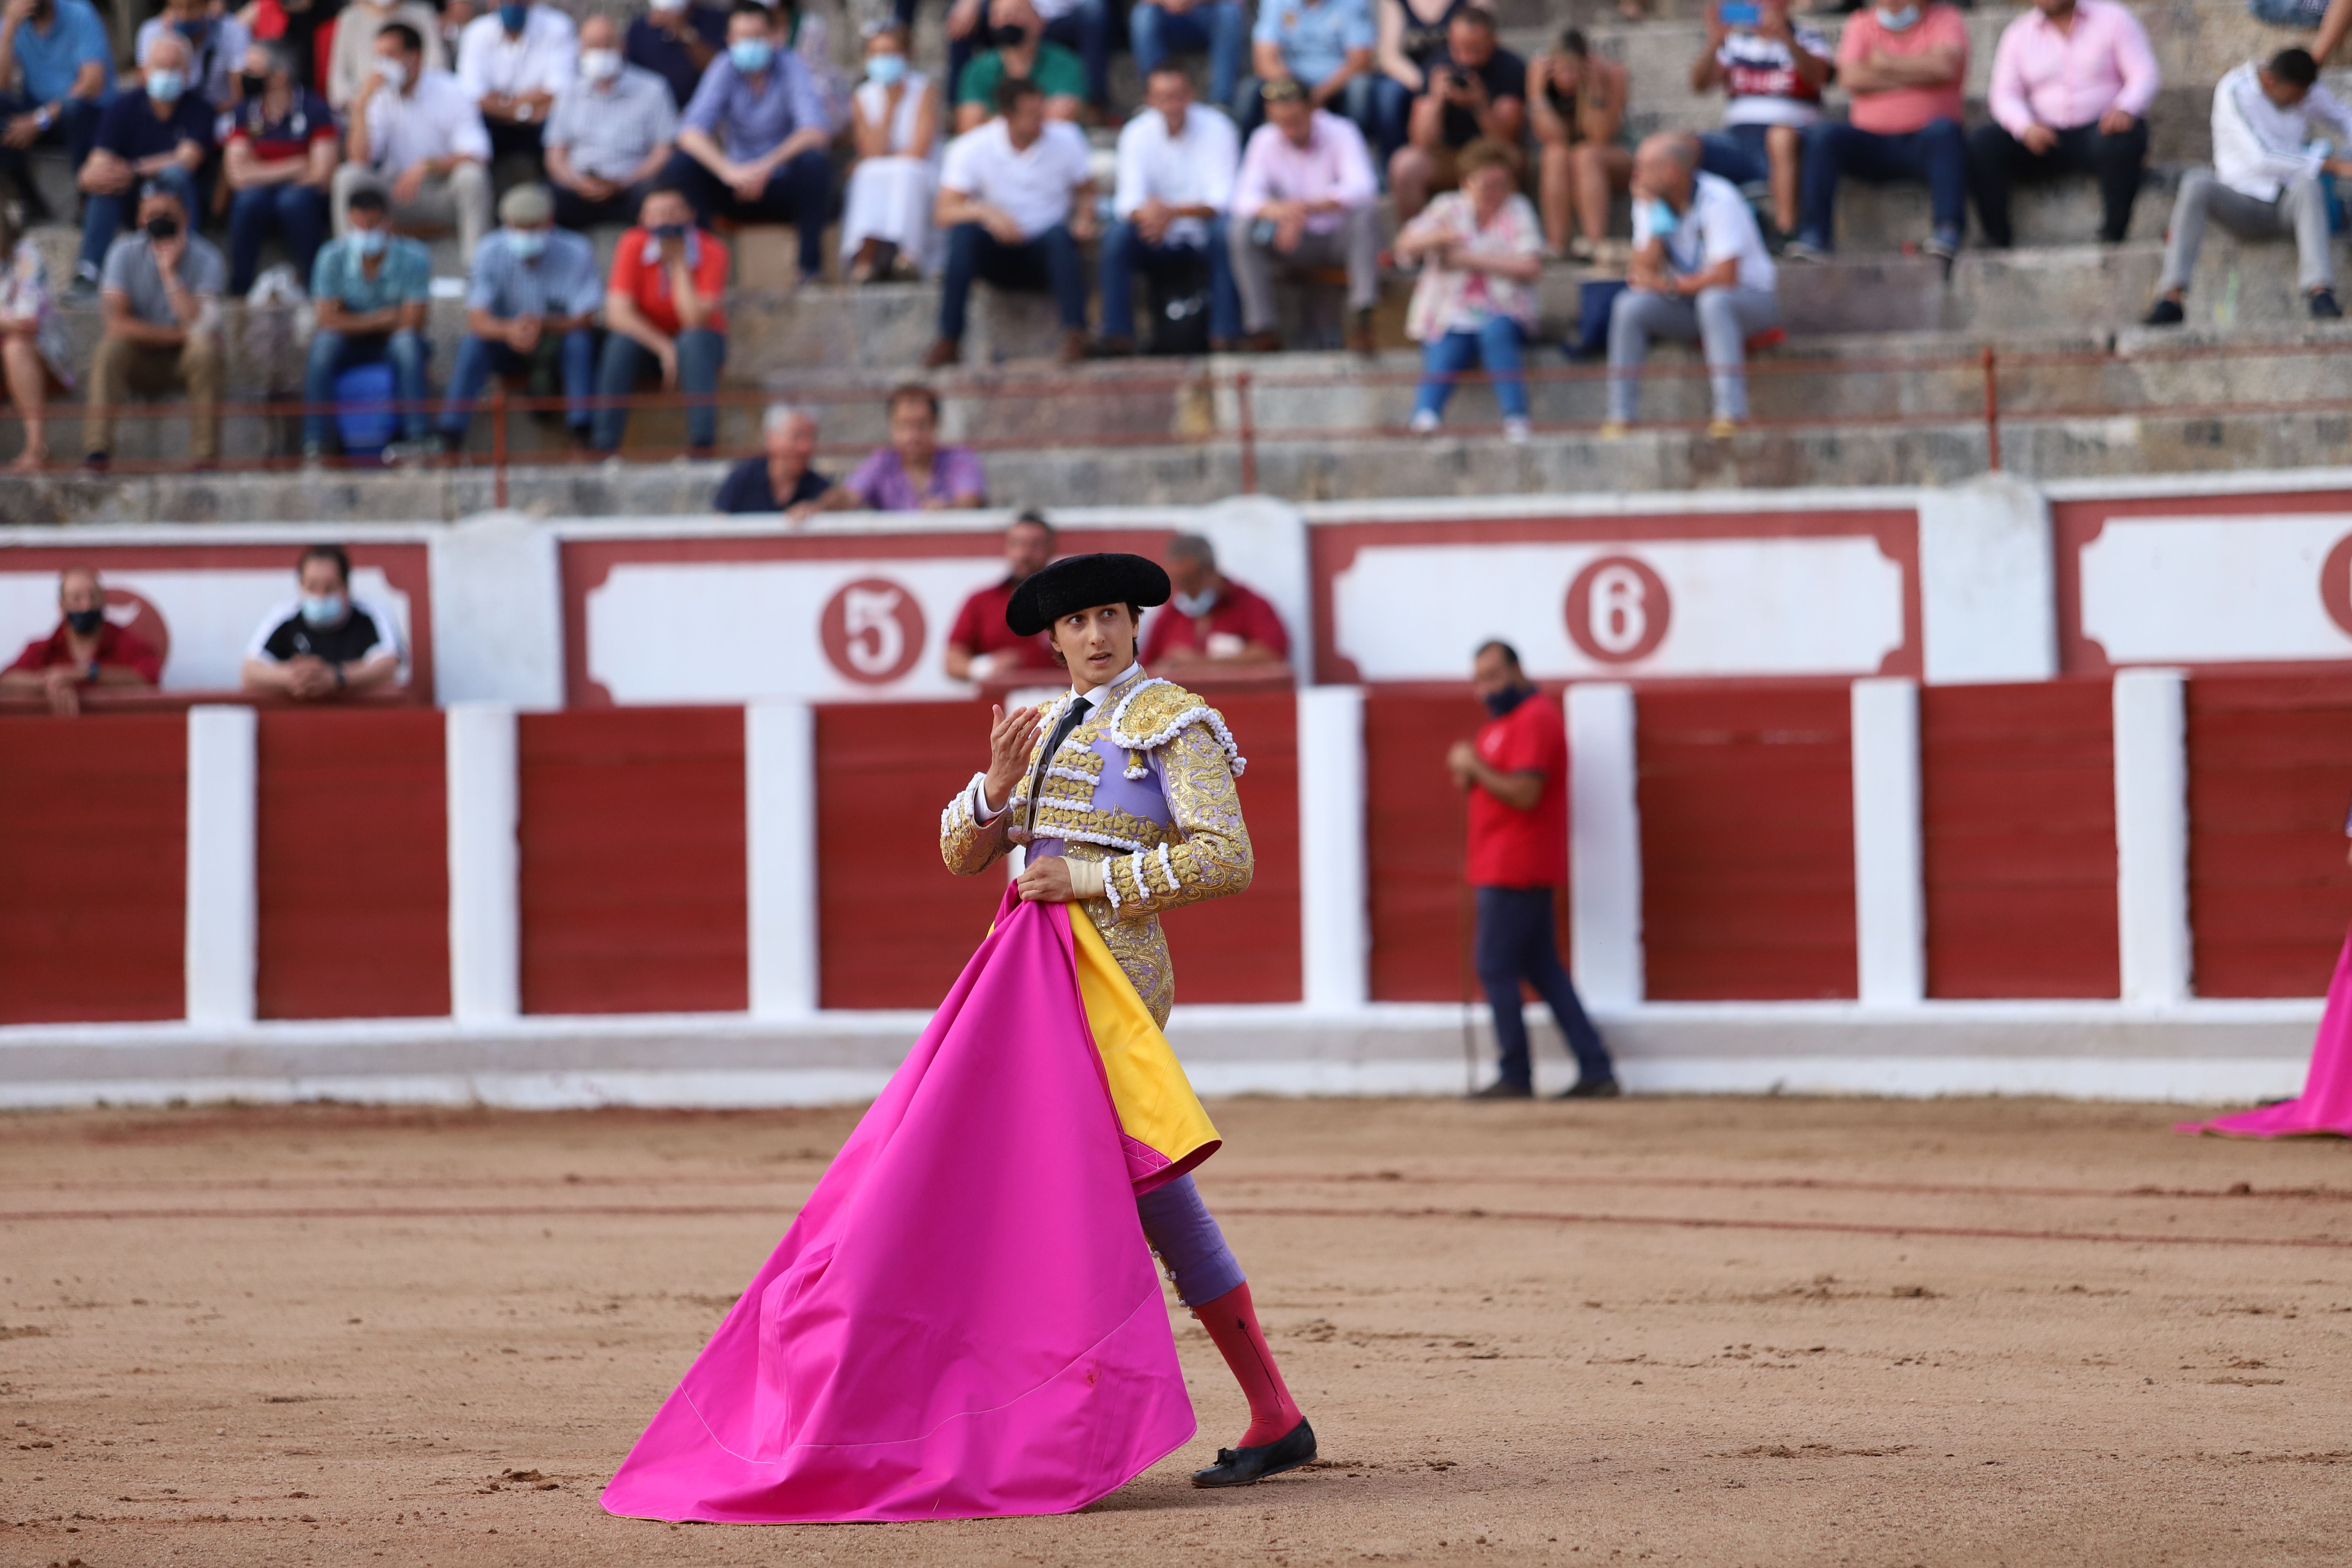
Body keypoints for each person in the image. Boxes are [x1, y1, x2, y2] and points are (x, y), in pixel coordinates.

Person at [601, 554, 1315, 1522]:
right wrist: (990, 789)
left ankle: (1211, 1409)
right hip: (1022, 979)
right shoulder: (1039, 725)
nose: (1098, 634)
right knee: (1121, 1185)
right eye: (1078, 623)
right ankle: (1240, 1408)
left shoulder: (1170, 720)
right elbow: (958, 853)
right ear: (1052, 638)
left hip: (1111, 982)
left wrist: (1092, 882)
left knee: (1103, 1183)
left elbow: (1226, 857)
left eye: (1111, 615)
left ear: (1136, 623)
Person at [1448, 640, 1617, 1100]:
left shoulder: (1535, 718)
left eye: (1495, 676)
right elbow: (1484, 779)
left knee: (1494, 963)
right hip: (1503, 861)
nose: (1488, 688)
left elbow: (1525, 794)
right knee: (1542, 967)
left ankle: (1517, 1072)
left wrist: (1474, 767)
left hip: (1516, 864)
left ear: (1518, 671)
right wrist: (1469, 770)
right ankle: (1595, 1064)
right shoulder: (1502, 724)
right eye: (1480, 679)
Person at [2146, 48, 2352, 323]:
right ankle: (2171, 298)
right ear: (2270, 82)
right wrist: (2334, 164)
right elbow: (2261, 157)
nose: (2301, 102)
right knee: (2196, 184)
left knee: (2308, 184)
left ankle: (2320, 292)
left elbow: (2343, 116)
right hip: (2240, 204)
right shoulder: (2235, 91)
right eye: (2295, 96)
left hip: (2289, 204)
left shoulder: (2305, 90)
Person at [1605, 132, 1777, 437]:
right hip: (1691, 302)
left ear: (1671, 172)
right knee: (1628, 307)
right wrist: (1656, 222)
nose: (1637, 175)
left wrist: (1668, 286)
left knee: (1715, 301)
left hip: (1750, 301)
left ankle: (1731, 413)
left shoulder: (1719, 197)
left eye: (1644, 166)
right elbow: (1641, 273)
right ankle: (1621, 416)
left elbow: (1726, 277)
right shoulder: (1649, 201)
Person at [927, 77, 1096, 369]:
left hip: (1048, 252)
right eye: (1031, 115)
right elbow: (944, 212)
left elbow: (1086, 192)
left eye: (1041, 111)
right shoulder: (973, 147)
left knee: (1059, 238)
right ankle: (949, 339)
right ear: (1007, 116)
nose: (1040, 121)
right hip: (998, 254)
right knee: (963, 236)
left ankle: (1076, 334)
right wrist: (985, 213)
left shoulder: (1067, 139)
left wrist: (1084, 220)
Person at [1968, 0, 2157, 250]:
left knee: (2125, 138)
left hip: (2100, 132)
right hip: (2043, 138)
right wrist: (2026, 127)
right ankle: (1997, 238)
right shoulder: (2018, 34)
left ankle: (2113, 235)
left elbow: (2144, 74)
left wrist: (2124, 108)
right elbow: (2004, 95)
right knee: (1984, 143)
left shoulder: (2115, 18)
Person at [1789, 0, 1969, 262]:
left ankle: (1948, 230)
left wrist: (1884, 63)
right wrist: (1920, 72)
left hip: (1924, 145)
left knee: (1944, 133)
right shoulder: (1861, 23)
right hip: (1871, 144)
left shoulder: (1947, 19)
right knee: (1822, 136)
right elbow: (1849, 78)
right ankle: (1813, 235)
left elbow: (1945, 68)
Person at [671, 2, 834, 285]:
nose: (749, 45)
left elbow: (815, 131)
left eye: (756, 37)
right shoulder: (724, 66)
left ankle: (809, 269)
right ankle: (706, 267)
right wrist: (728, 171)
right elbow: (689, 133)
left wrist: (765, 167)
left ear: (775, 36)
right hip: (735, 184)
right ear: (730, 40)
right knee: (680, 167)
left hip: (780, 182)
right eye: (742, 38)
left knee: (815, 164)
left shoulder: (791, 64)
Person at [1395, 137, 1540, 441]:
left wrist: (1469, 259)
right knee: (1446, 343)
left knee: (1496, 333)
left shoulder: (1518, 210)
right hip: (1450, 310)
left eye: (1500, 185)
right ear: (1466, 182)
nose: (1493, 194)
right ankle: (1426, 416)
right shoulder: (1447, 208)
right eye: (1485, 185)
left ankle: (1516, 418)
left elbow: (1531, 267)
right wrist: (1436, 239)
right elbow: (1405, 246)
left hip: (1504, 309)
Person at [438, 183, 602, 448]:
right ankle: (450, 433)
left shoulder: (576, 250)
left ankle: (583, 428)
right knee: (473, 344)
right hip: (507, 343)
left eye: (532, 227)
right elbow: (477, 320)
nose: (525, 234)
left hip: (555, 341)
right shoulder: (489, 251)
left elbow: (586, 318)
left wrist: (542, 325)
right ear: (506, 223)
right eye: (519, 227)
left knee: (579, 342)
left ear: (549, 222)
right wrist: (511, 330)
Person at [1098, 63, 1241, 356]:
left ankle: (1225, 334)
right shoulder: (1136, 133)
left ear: (1192, 94)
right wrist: (1158, 217)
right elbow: (1127, 203)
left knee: (1227, 232)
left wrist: (1171, 213)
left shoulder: (1218, 128)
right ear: (1149, 100)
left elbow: (1224, 199)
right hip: (1156, 235)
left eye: (1178, 95)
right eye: (1163, 97)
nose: (1172, 105)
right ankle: (1117, 335)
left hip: (1203, 233)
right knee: (1117, 236)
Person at [1228, 78, 1380, 355]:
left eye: (1295, 119)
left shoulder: (1342, 131)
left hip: (1337, 237)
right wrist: (1284, 213)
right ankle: (1262, 328)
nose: (1289, 128)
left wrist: (1305, 209)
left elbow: (1362, 187)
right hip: (1290, 238)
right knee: (1241, 231)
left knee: (1365, 216)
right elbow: (1243, 198)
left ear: (1313, 109)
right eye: (1281, 121)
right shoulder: (1264, 139)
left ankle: (1362, 318)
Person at [83, 180, 224, 471]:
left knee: (205, 351)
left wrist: (169, 272)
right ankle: (97, 453)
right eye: (153, 216)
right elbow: (117, 326)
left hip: (184, 361)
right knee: (110, 350)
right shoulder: (123, 251)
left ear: (186, 217)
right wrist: (177, 336)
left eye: (169, 216)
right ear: (140, 219)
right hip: (141, 357)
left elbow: (198, 326)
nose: (160, 223)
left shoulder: (208, 257)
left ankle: (205, 458)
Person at [335, 22, 494, 268]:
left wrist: (426, 166)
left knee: (472, 177)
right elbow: (359, 159)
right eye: (379, 57)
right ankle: (348, 270)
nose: (382, 64)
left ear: (415, 56)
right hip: (394, 193)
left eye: (390, 56)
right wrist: (361, 106)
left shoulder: (451, 90)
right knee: (348, 176)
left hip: (442, 191)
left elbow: (478, 153)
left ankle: (477, 268)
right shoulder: (377, 97)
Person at [69, 32, 210, 298]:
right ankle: (89, 272)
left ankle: (186, 264)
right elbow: (94, 168)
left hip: (182, 199)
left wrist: (132, 169)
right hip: (131, 199)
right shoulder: (123, 107)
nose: (167, 74)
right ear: (143, 71)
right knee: (106, 183)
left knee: (174, 176)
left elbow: (187, 160)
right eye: (160, 66)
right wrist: (96, 176)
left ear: (188, 71)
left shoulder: (199, 109)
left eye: (174, 67)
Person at [593, 184, 729, 453]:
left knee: (693, 342)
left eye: (672, 212)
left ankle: (703, 443)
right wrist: (665, 348)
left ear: (690, 215)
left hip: (700, 345)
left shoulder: (712, 249)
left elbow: (695, 321)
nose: (665, 220)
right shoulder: (632, 244)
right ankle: (603, 444)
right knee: (620, 344)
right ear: (643, 219)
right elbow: (618, 314)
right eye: (656, 214)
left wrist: (678, 263)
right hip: (652, 347)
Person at [304, 186, 433, 462]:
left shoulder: (414, 257)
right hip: (349, 345)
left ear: (389, 223)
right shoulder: (331, 257)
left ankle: (417, 438)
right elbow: (326, 321)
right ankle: (317, 442)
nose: (366, 233)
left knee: (407, 345)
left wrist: (348, 318)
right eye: (359, 226)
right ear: (350, 222)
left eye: (373, 226)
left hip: (392, 344)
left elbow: (413, 322)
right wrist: (381, 319)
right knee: (323, 345)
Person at [1692, 0, 1830, 246]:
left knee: (1780, 137)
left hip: (1792, 141)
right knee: (1681, 146)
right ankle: (1688, 236)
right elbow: (1699, 85)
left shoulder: (1809, 39)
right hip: (1737, 142)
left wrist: (1786, 39)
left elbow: (1819, 77)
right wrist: (1714, 40)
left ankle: (1786, 232)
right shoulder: (1735, 44)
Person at [222, 41, 338, 297]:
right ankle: (240, 288)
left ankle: (316, 287)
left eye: (253, 69)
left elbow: (321, 174)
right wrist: (294, 166)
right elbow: (236, 175)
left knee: (293, 201)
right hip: (264, 193)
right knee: (247, 201)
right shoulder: (245, 111)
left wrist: (259, 169)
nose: (245, 76)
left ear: (278, 76)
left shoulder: (314, 108)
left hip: (303, 196)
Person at [1388, 7, 1525, 225]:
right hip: (1448, 155)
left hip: (1491, 156)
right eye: (1459, 49)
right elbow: (1420, 141)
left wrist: (1480, 105)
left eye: (1475, 50)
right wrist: (1436, 101)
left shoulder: (1510, 67)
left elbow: (1506, 141)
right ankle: (1415, 247)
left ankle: (1500, 247)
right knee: (1405, 164)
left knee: (1499, 170)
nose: (1466, 59)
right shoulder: (1436, 65)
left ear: (1494, 41)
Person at [544, 14, 680, 230]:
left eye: (608, 45)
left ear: (622, 47)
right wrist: (577, 183)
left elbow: (664, 149)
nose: (601, 52)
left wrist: (627, 182)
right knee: (547, 198)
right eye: (594, 46)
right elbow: (555, 154)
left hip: (633, 187)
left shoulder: (653, 88)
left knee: (659, 197)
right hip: (580, 188)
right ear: (581, 50)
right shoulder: (569, 92)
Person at [841, 21, 943, 282]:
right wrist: (890, 108)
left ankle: (909, 255)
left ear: (906, 55)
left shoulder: (925, 89)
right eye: (876, 53)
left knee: (904, 171)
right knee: (867, 172)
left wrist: (888, 157)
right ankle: (865, 258)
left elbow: (920, 149)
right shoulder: (862, 96)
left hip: (922, 170)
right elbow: (871, 150)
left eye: (890, 53)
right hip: (889, 167)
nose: (883, 59)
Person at [240, 545, 404, 701]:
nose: (320, 596)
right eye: (312, 587)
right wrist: (295, 677)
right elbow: (250, 671)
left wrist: (337, 677)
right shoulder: (285, 616)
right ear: (301, 587)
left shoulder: (371, 614)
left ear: (346, 587)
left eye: (329, 588)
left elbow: (388, 667)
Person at [0, 0, 113, 214]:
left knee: (76, 109)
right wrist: (9, 29)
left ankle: (87, 201)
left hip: (81, 113)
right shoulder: (13, 23)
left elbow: (92, 83)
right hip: (38, 112)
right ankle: (26, 199)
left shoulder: (80, 14)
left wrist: (40, 120)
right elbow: (2, 85)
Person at [0, 568, 161, 715]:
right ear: (63, 605)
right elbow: (5, 681)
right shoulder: (45, 648)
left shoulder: (126, 642)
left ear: (104, 600)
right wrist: (50, 682)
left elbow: (150, 678)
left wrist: (87, 673)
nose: (86, 606)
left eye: (93, 596)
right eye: (77, 598)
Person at [1529, 29, 1631, 260]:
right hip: (1567, 157)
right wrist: (1537, 94)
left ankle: (1595, 244)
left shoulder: (1612, 74)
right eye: (1561, 68)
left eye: (1572, 69)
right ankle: (1557, 245)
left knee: (1586, 154)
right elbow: (1552, 137)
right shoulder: (1540, 79)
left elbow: (1600, 137)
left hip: (1615, 156)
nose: (1567, 77)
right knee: (1555, 153)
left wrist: (1595, 90)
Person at [808, 382, 988, 511]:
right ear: (891, 428)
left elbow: (970, 501)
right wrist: (818, 507)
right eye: (904, 426)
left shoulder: (959, 459)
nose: (912, 436)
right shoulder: (882, 462)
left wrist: (948, 509)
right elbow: (850, 497)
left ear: (936, 425)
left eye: (921, 425)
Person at [1141, 532, 1290, 670]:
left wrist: (1200, 663)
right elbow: (1146, 668)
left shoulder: (1250, 605)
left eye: (1191, 581)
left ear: (1210, 570)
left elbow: (1273, 655)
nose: (1186, 591)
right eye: (1178, 583)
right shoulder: (1169, 615)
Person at [455, 0, 577, 163]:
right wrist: (521, 112)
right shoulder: (477, 31)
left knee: (561, 118)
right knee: (471, 125)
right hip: (497, 120)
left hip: (541, 121)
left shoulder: (558, 26)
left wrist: (504, 104)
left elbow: (560, 89)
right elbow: (471, 92)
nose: (512, 4)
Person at [943, 509, 1059, 680]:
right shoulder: (981, 602)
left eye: (1035, 545)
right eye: (1017, 544)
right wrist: (985, 667)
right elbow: (952, 661)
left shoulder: (1069, 601)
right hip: (997, 704)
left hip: (1062, 702)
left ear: (1051, 549)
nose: (1024, 554)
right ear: (1007, 548)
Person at [1236, 0, 1375, 139]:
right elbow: (1264, 59)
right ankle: (1246, 152)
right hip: (1291, 84)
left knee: (1359, 88)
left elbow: (1360, 62)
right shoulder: (1276, 3)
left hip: (1337, 87)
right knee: (1249, 91)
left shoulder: (1353, 3)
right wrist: (1295, 93)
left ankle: (1359, 147)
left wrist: (1317, 95)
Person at [0, 204, 72, 471]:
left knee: (16, 348)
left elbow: (27, 323)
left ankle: (36, 448)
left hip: (40, 354)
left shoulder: (26, 256)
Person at [943, 0, 1106, 116]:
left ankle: (1095, 107)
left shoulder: (1066, 64)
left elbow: (1064, 115)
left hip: (1066, 12)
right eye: (1001, 15)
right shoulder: (978, 69)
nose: (1008, 20)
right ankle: (952, 107)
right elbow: (970, 122)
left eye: (1015, 14)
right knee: (960, 18)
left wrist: (995, 120)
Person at [1372, 0, 1484, 166]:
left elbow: (1483, 36)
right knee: (1389, 94)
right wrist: (1424, 84)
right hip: (1414, 79)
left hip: (1460, 73)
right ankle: (1390, 162)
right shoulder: (1395, 4)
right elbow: (1388, 56)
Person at [714, 403, 833, 516]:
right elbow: (719, 526)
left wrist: (818, 507)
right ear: (771, 438)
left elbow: (843, 499)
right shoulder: (741, 481)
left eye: (812, 438)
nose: (806, 447)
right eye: (797, 436)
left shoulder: (820, 490)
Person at [130, 0, 250, 111]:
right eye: (176, 7)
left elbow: (238, 95)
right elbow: (146, 86)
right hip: (170, 117)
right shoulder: (152, 31)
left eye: (191, 7)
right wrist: (170, 40)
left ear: (207, 5)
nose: (183, 16)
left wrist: (205, 115)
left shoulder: (232, 31)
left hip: (216, 116)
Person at [326, 0, 445, 110]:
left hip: (419, 109)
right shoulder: (350, 18)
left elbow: (438, 70)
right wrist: (365, 102)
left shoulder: (423, 14)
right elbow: (338, 90)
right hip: (365, 113)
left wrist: (408, 93)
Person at [1132, 0, 1247, 112]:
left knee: (1229, 12)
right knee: (1143, 14)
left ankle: (1221, 102)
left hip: (1205, 15)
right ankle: (1155, 95)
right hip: (1165, 15)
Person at [625, 0, 727, 115]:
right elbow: (632, 77)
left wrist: (684, 32)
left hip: (702, 114)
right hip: (653, 115)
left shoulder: (715, 20)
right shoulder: (640, 28)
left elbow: (720, 70)